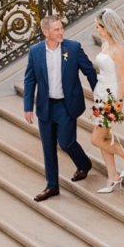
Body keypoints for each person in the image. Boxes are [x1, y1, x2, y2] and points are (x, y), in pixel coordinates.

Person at [23, 14, 98, 201]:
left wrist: (100, 96)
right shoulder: (35, 52)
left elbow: (89, 71)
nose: (61, 32)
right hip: (45, 106)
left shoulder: (73, 48)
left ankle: (84, 163)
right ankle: (52, 186)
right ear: (45, 32)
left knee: (66, 142)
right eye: (56, 29)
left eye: (61, 28)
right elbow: (30, 79)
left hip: (66, 105)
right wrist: (28, 107)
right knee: (48, 148)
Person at [89, 7, 124, 193]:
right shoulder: (104, 46)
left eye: (98, 27)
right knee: (104, 137)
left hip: (111, 98)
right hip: (101, 94)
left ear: (108, 28)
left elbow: (122, 79)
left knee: (96, 139)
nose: (97, 30)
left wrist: (118, 103)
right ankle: (112, 175)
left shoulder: (119, 50)